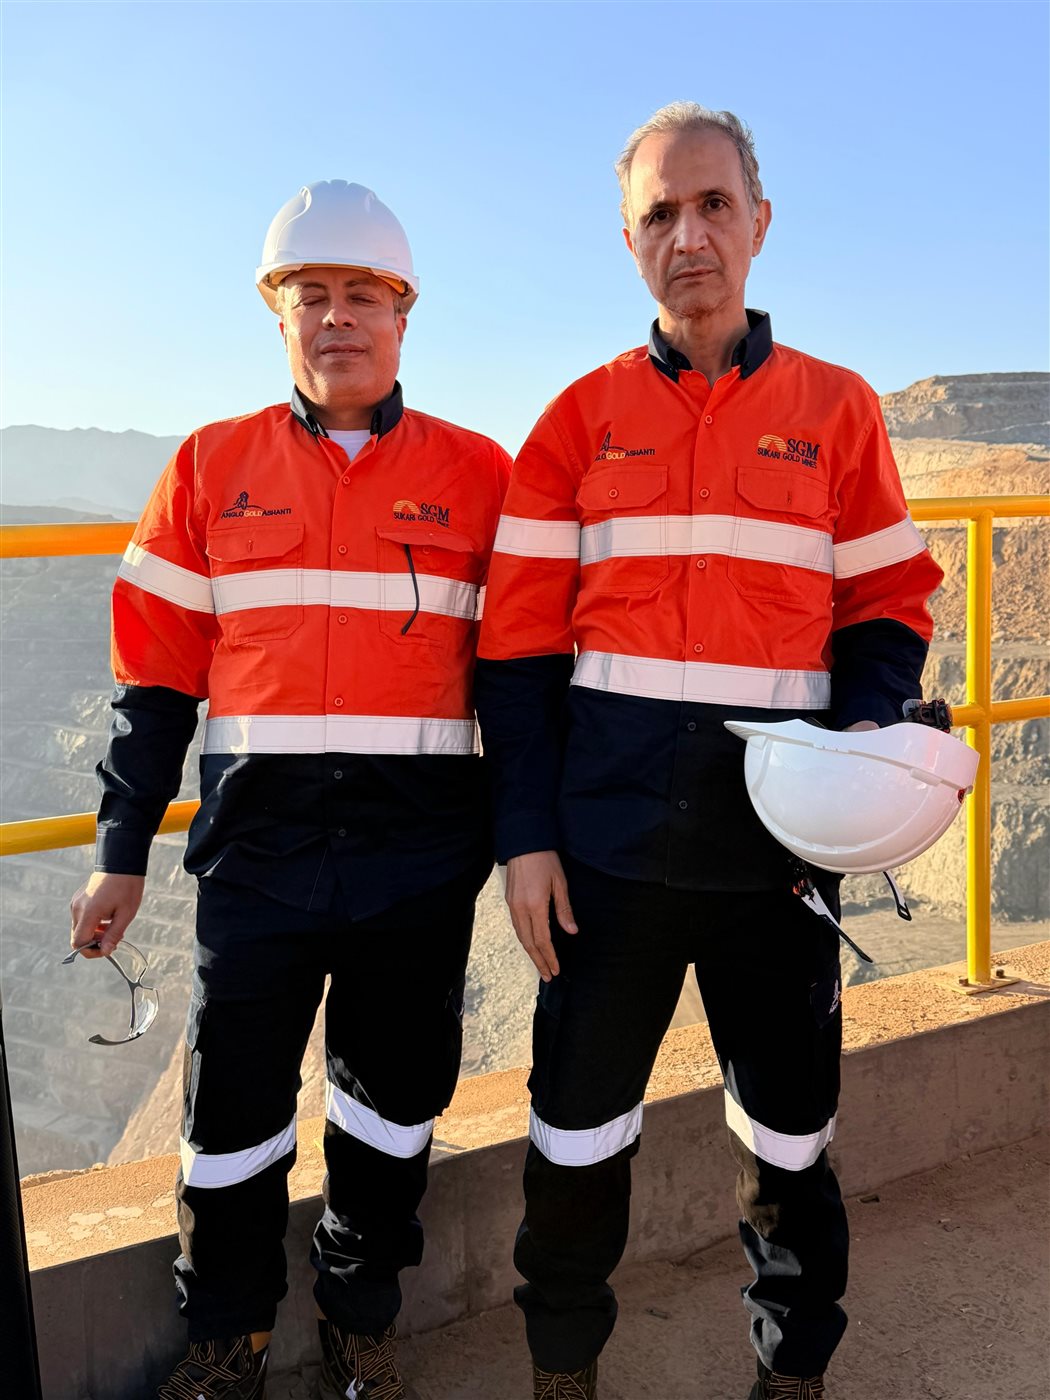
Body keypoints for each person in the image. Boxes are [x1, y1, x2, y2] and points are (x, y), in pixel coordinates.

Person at [474, 103, 943, 1400]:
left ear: (759, 222)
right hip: (604, 861)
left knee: (788, 1144)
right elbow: (517, 655)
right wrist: (525, 838)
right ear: (628, 240)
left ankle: (791, 1374)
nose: (688, 235)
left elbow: (887, 605)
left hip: (778, 858)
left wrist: (868, 726)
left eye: (713, 205)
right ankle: (563, 1370)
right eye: (660, 214)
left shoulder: (837, 411)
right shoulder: (574, 422)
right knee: (575, 1141)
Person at [70, 180, 510, 1400]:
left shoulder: (480, 475)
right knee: (232, 1121)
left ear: (405, 314)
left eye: (363, 294)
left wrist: (533, 837)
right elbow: (156, 683)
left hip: (417, 860)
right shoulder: (211, 467)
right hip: (257, 857)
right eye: (311, 294)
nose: (338, 317)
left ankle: (362, 1328)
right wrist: (119, 848)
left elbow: (524, 682)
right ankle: (229, 1344)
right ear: (279, 316)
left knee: (389, 1113)